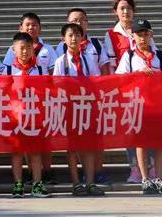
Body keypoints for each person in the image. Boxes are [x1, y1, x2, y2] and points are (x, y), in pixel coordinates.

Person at [115, 19, 162, 195]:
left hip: (158, 104)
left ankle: (159, 177)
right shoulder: (129, 56)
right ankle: (145, 179)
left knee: (159, 143)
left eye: (145, 34)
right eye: (139, 35)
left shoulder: (159, 56)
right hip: (138, 105)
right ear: (133, 37)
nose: (142, 38)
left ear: (151, 35)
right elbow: (119, 79)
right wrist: (138, 73)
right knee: (141, 142)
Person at [103, 0, 157, 183]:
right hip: (125, 89)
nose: (125, 12)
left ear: (134, 11)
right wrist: (116, 89)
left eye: (128, 8)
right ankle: (135, 169)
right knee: (131, 130)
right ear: (115, 12)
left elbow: (154, 54)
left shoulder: (143, 30)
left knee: (149, 129)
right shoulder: (111, 34)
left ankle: (152, 169)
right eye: (122, 8)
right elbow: (111, 66)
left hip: (147, 90)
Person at [52, 22, 105, 196]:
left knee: (89, 146)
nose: (74, 38)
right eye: (70, 35)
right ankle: (76, 183)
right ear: (63, 39)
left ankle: (90, 182)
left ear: (82, 38)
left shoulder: (88, 59)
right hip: (70, 108)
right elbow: (56, 85)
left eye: (77, 35)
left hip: (88, 107)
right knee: (72, 147)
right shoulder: (60, 61)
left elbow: (96, 80)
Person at [3, 33, 50, 199]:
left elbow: (47, 91)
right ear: (14, 50)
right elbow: (3, 93)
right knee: (17, 152)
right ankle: (18, 184)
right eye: (21, 48)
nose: (25, 51)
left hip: (35, 116)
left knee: (35, 152)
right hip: (15, 117)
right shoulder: (8, 70)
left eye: (29, 48)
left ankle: (37, 184)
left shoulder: (40, 69)